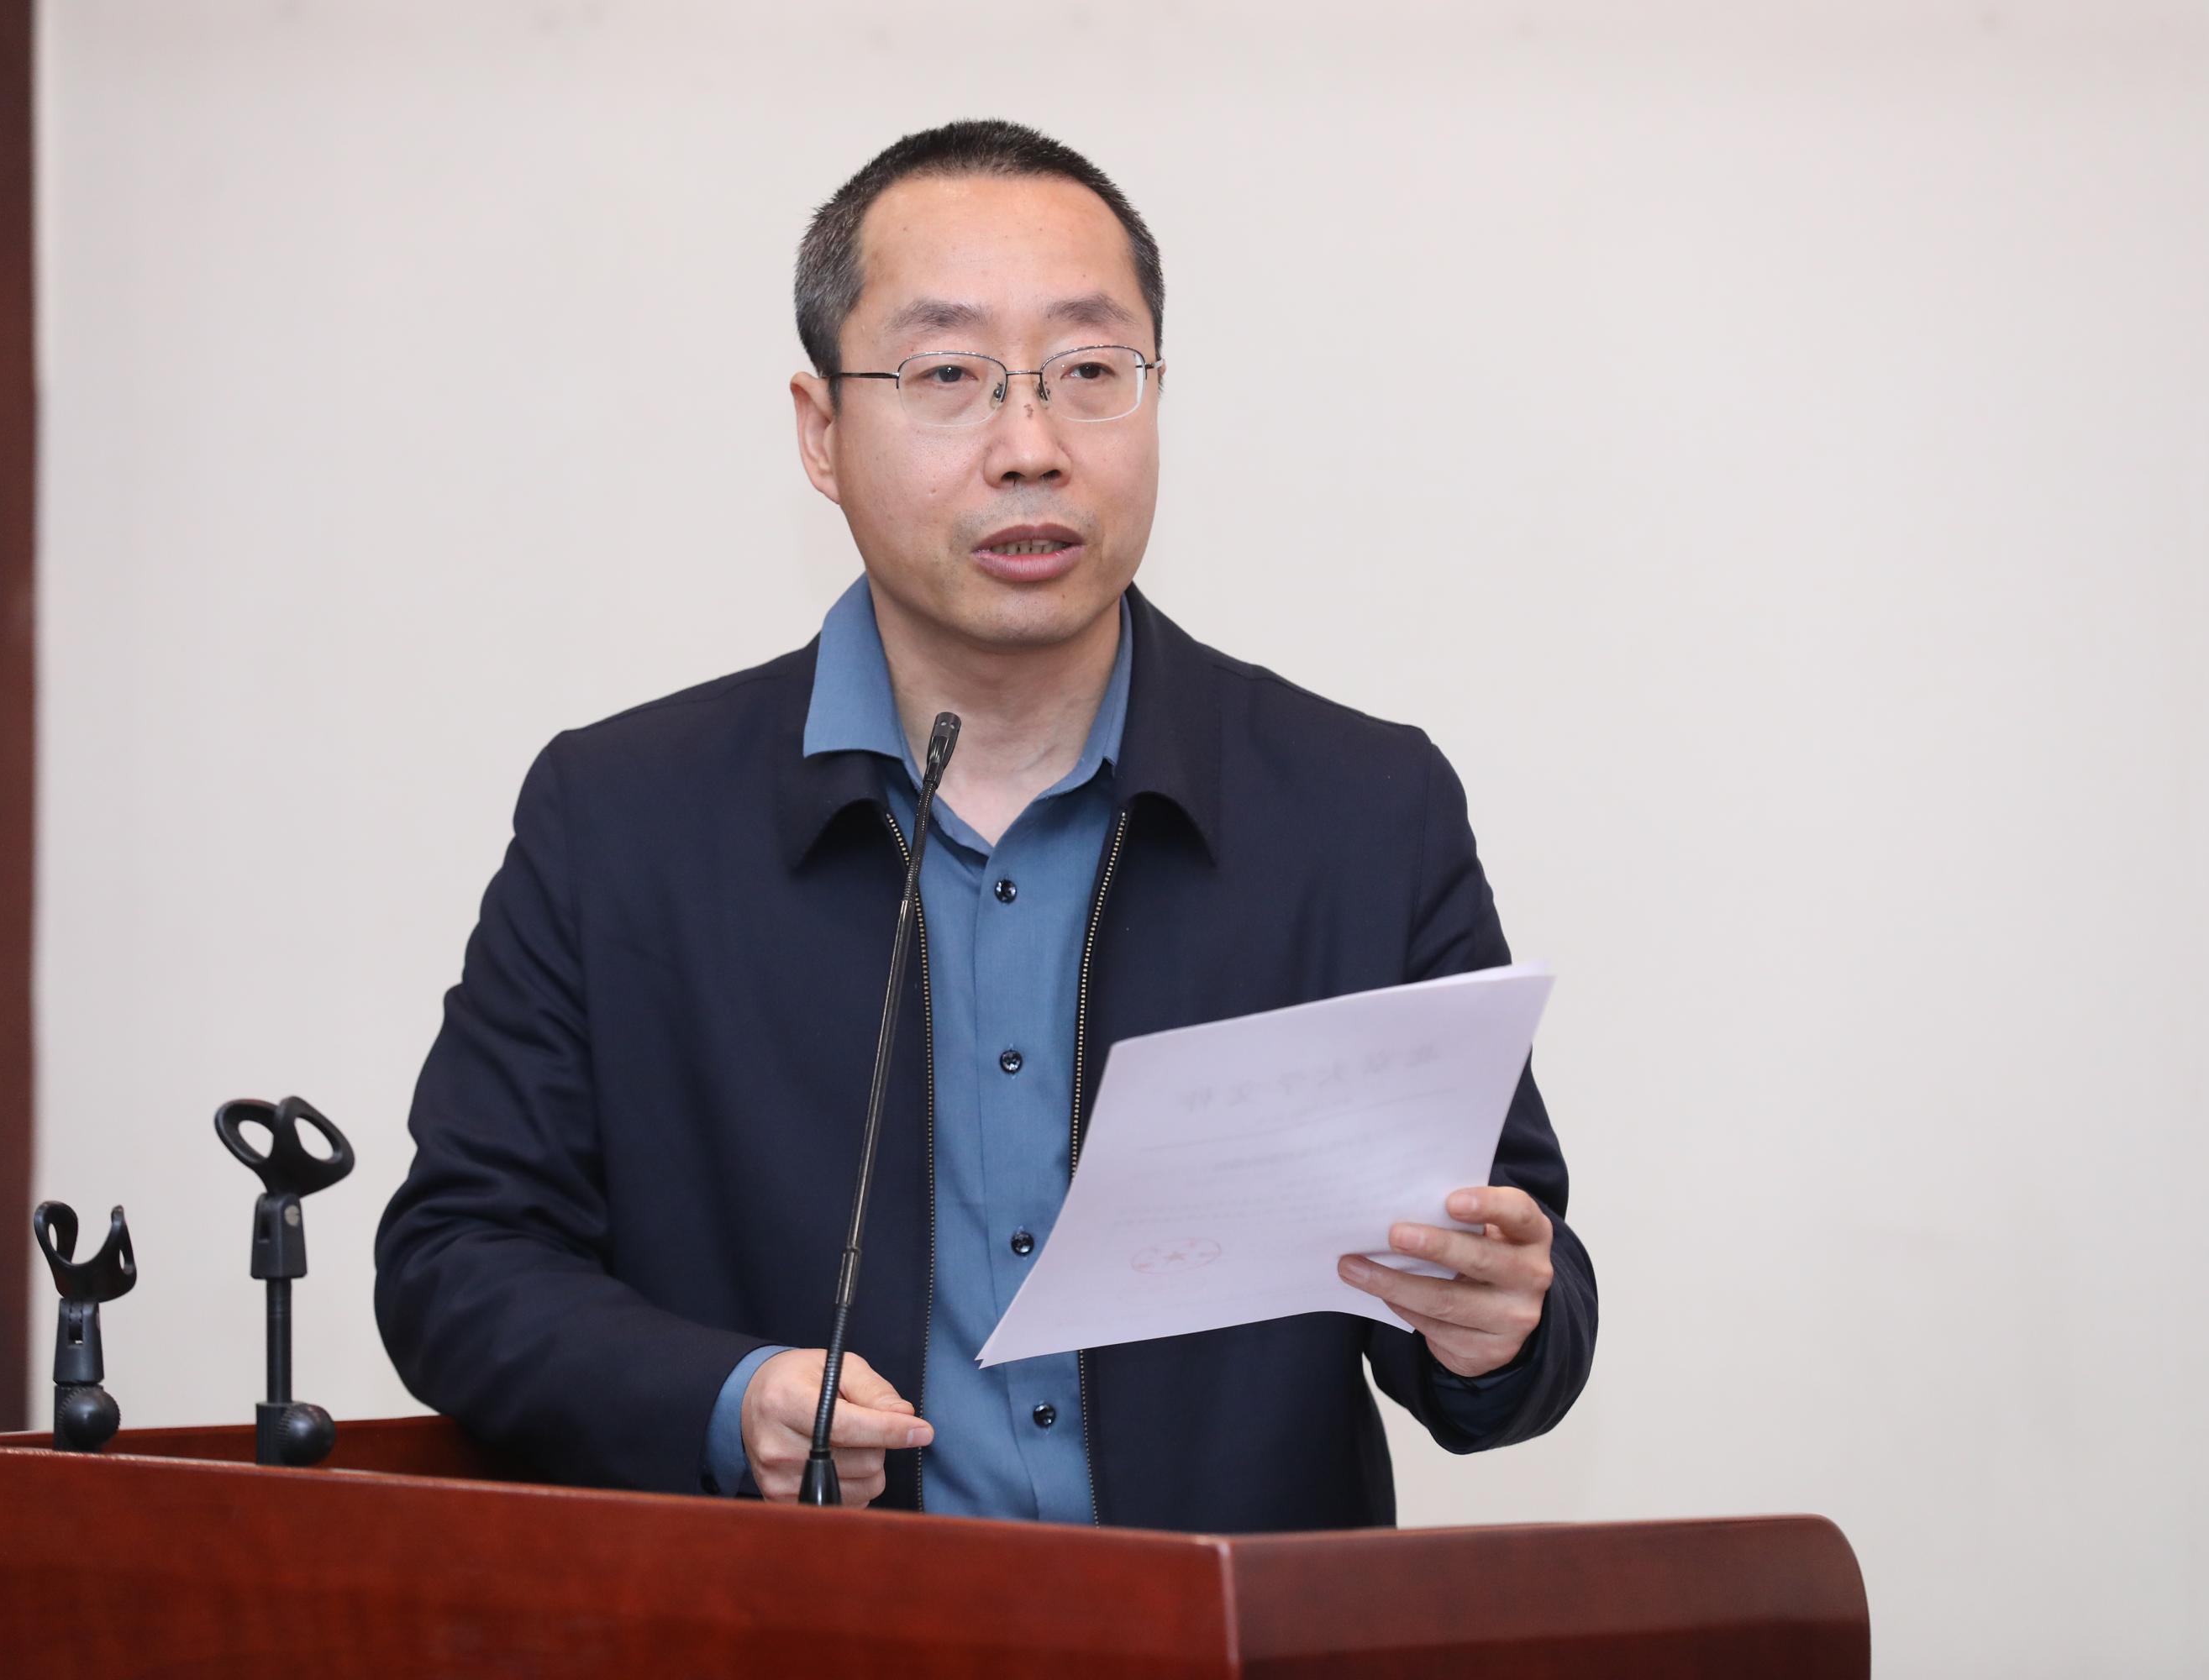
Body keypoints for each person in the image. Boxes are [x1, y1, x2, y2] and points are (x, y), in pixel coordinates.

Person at [374, 119, 1596, 1533]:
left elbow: (1517, 1283)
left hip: (1234, 1626)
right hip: (814, 1622)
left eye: (1092, 372)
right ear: (822, 432)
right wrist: (727, 1398)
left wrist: (1500, 1321)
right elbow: (459, 1259)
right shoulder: (623, 818)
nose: (1032, 447)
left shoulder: (1360, 809)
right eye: (948, 375)